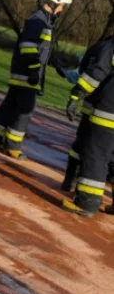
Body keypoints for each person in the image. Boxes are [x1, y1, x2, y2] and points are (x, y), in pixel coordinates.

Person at [0, 0, 73, 160]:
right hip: (27, 76)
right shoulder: (39, 21)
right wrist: (33, 70)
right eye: (62, 6)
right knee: (24, 111)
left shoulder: (42, 21)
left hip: (24, 75)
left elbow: (43, 50)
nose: (62, 10)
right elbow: (28, 46)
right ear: (55, 3)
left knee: (10, 107)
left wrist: (57, 65)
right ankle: (12, 147)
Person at [61, 30, 114, 217]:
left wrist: (77, 94)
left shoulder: (109, 46)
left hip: (108, 112)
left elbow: (96, 73)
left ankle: (86, 203)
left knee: (96, 154)